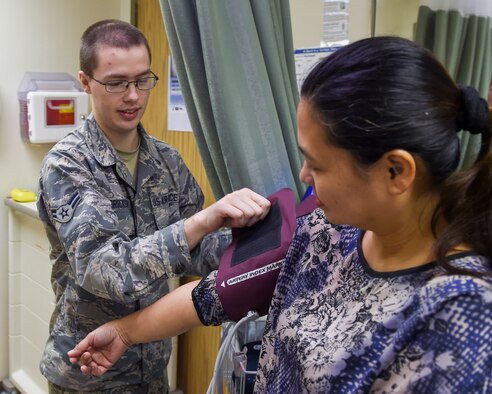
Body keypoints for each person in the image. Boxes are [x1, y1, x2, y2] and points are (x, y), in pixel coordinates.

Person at [68, 36, 492, 393]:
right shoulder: (326, 232)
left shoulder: (459, 312)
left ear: (395, 171)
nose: (304, 176)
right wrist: (124, 332)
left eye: (318, 165)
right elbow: (213, 294)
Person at [37, 19, 271, 394]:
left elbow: (196, 253)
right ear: (86, 82)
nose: (133, 96)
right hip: (89, 373)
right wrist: (202, 221)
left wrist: (264, 243)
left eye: (142, 79)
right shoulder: (67, 165)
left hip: (151, 366)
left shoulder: (167, 161)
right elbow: (104, 270)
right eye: (116, 83)